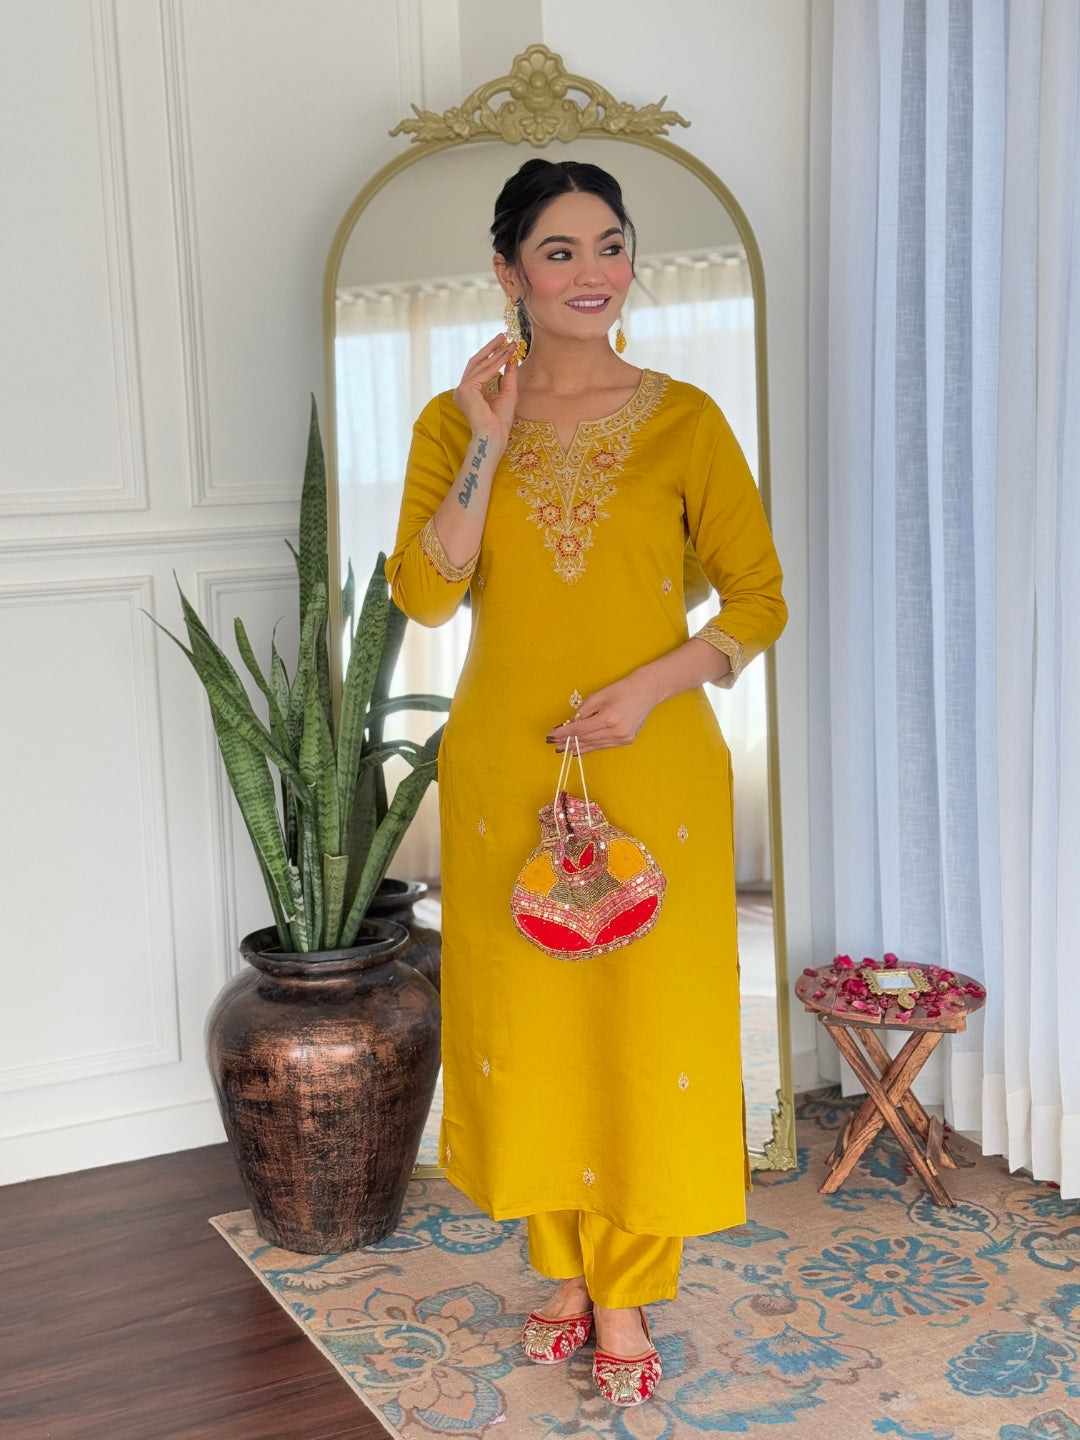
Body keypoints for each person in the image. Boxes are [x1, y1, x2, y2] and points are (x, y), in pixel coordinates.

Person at [385, 157, 787, 1407]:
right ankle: (561, 1266)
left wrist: (657, 684)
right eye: (559, 252)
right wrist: (487, 440)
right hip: (507, 764)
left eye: (610, 245)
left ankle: (624, 1289)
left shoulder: (685, 420)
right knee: (536, 1028)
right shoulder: (455, 424)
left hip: (650, 763)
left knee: (644, 1028)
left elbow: (758, 599)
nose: (594, 272)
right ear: (508, 273)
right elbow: (425, 591)